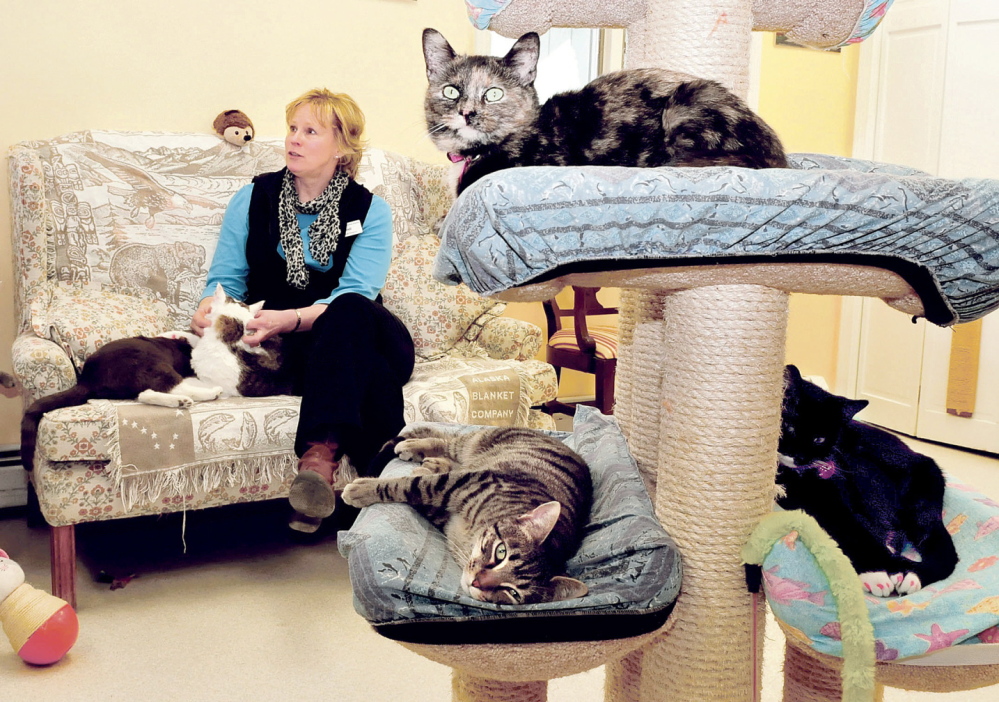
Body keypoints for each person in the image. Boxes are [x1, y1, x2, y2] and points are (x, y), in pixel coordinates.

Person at [191, 88, 415, 534]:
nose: (293, 139)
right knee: (369, 374)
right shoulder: (253, 198)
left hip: (367, 330)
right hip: (301, 351)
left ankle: (319, 454)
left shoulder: (371, 210)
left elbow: (358, 291)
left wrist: (290, 318)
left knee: (348, 308)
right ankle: (383, 487)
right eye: (293, 128)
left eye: (310, 131)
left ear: (342, 147)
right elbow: (226, 280)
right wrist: (208, 310)